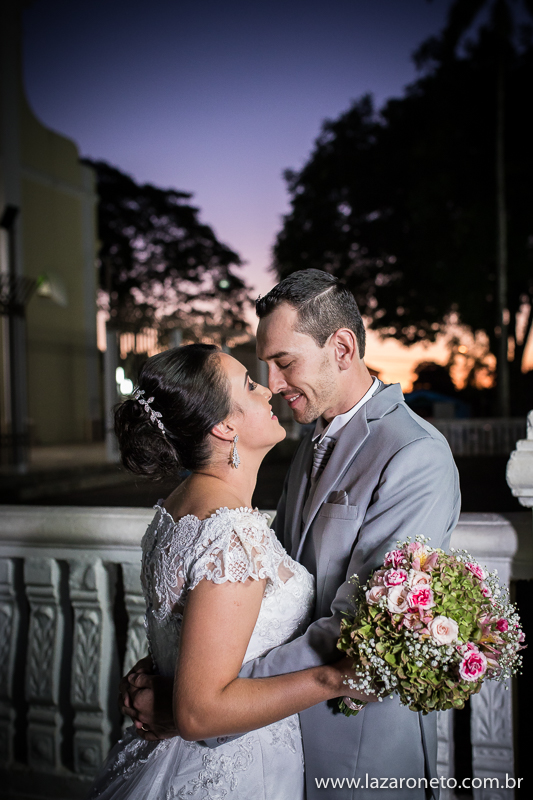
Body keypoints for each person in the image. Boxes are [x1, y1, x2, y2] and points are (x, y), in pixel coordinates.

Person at [122, 270, 461, 799]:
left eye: (284, 363)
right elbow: (253, 589)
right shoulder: (306, 441)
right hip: (273, 745)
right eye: (263, 370)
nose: (274, 385)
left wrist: (194, 693)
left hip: (356, 747)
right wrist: (192, 670)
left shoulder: (414, 455)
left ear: (342, 348)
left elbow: (364, 628)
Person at [88, 341, 371, 800]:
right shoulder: (232, 533)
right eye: (251, 384)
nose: (270, 391)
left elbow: (188, 638)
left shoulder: (176, 509)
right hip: (232, 769)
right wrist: (334, 678)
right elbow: (200, 714)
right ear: (224, 426)